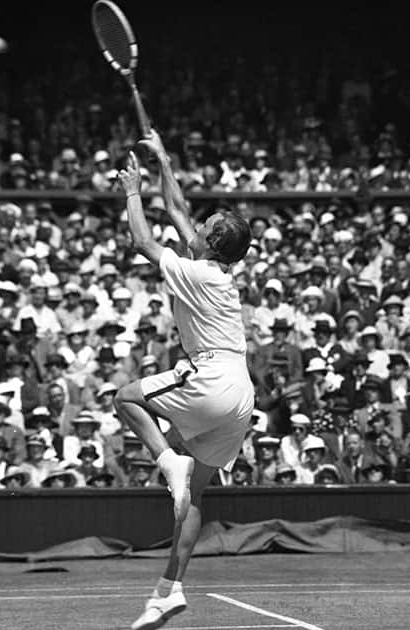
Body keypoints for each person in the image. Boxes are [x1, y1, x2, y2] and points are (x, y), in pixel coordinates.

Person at [112, 132, 254, 630]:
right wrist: (164, 162)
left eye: (207, 224)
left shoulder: (198, 273)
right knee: (196, 493)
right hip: (240, 393)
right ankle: (168, 591)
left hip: (210, 374)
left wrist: (132, 189)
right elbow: (176, 210)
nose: (197, 222)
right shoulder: (211, 264)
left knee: (125, 398)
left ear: (211, 241)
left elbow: (143, 241)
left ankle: (167, 459)